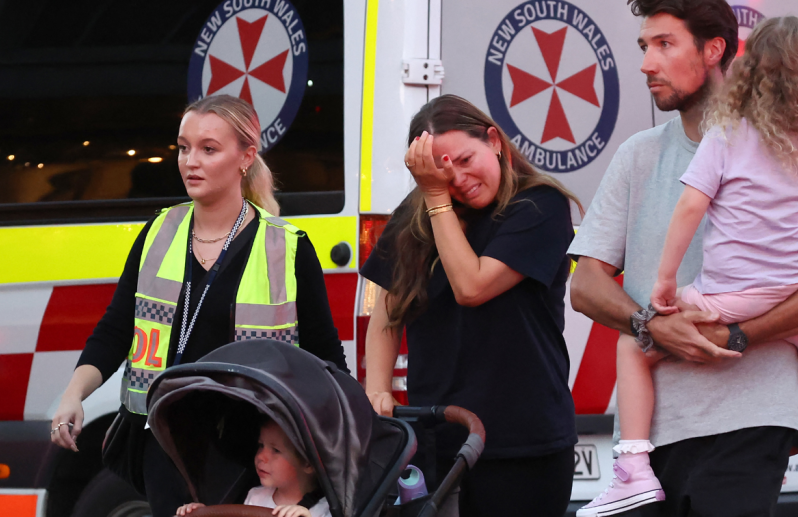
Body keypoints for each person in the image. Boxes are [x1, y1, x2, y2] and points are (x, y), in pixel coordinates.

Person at [586, 16, 798, 517]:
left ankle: (630, 468)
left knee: (633, 345)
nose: (648, 62)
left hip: (748, 403)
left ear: (729, 59)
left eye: (664, 44)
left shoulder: (726, 138)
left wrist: (678, 296)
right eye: (645, 45)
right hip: (791, 291)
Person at [50, 94, 348, 517]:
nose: (191, 161)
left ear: (246, 157)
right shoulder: (158, 231)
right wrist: (73, 394)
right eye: (184, 147)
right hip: (165, 443)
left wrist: (353, 436)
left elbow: (324, 354)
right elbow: (117, 328)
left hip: (251, 452)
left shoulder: (287, 246)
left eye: (209, 149)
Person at [360, 95, 582, 517]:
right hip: (439, 436)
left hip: (524, 442)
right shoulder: (417, 214)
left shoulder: (540, 205)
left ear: (494, 141)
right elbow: (388, 313)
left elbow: (472, 286)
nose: (458, 179)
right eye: (441, 171)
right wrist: (377, 390)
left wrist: (434, 195)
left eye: (465, 159)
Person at [176, 416, 331, 517]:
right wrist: (202, 512)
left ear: (308, 463)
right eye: (261, 445)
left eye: (275, 450)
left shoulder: (324, 510)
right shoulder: (255, 497)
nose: (260, 456)